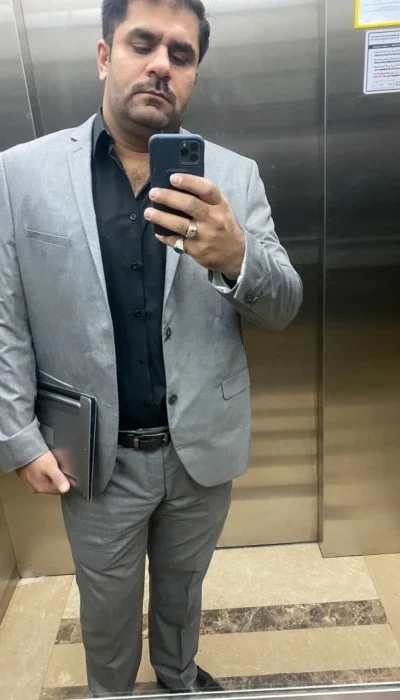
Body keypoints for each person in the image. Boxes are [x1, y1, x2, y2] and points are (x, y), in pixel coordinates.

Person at [0, 0, 303, 696]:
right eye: (143, 44)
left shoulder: (236, 177)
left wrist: (236, 258)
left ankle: (177, 678)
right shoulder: (20, 174)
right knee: (106, 607)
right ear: (105, 55)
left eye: (182, 54)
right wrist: (17, 436)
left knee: (183, 589)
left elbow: (284, 305)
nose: (161, 65)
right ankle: (111, 692)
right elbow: (6, 314)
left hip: (202, 448)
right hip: (93, 456)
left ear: (194, 74)